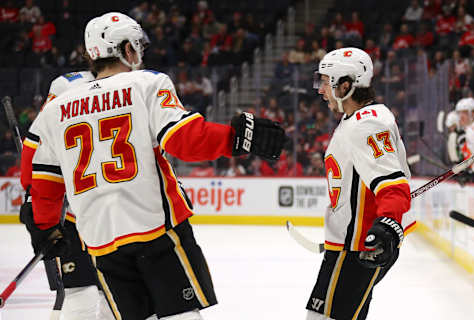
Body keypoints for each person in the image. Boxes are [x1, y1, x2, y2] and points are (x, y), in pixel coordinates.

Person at [23, 12, 285, 320]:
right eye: (137, 46)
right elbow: (184, 140)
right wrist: (237, 138)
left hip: (101, 242)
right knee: (181, 314)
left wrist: (44, 228)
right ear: (126, 49)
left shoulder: (56, 109)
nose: (140, 54)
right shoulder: (146, 84)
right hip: (155, 230)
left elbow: (45, 184)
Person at [307, 47, 416, 320]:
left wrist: (389, 221)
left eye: (325, 82)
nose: (321, 90)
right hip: (351, 246)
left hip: (357, 248)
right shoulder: (356, 119)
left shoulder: (366, 124)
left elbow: (392, 184)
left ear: (345, 85)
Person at [21, 70, 117, 320]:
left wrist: (34, 199)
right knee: (98, 292)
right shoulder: (120, 90)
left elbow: (32, 155)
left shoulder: (64, 93)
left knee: (99, 293)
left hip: (91, 211)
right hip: (99, 212)